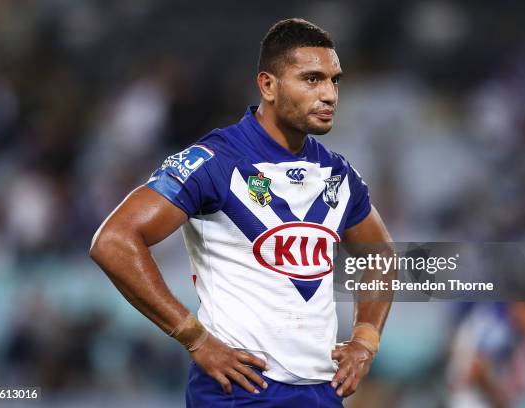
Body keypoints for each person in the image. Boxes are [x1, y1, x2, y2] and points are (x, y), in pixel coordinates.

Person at [90, 18, 393, 407]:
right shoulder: (214, 160)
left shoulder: (339, 173)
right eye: (312, 79)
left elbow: (381, 255)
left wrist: (365, 341)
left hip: (320, 392)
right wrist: (195, 338)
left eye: (334, 80)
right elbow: (113, 242)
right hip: (238, 392)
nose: (330, 94)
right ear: (268, 85)